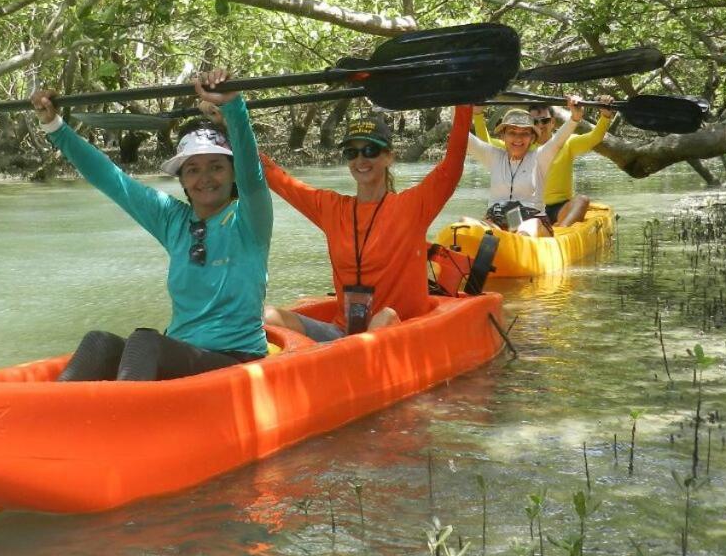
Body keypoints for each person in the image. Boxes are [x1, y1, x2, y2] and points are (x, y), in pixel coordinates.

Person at [29, 68, 271, 381]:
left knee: (145, 342)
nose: (205, 178)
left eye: (216, 167)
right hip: (183, 354)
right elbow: (112, 179)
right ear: (182, 179)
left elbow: (252, 169)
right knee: (98, 342)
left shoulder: (251, 218)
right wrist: (54, 125)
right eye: (193, 169)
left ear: (233, 172)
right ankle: (53, 415)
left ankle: (121, 418)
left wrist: (233, 106)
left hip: (236, 361)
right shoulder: (173, 219)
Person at [261, 106, 474, 341]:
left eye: (370, 150)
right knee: (268, 315)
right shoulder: (331, 208)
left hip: (399, 332)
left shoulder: (413, 206)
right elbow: (275, 176)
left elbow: (451, 168)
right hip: (344, 334)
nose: (361, 159)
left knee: (384, 316)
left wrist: (464, 106)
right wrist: (229, 120)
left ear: (388, 157)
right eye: (352, 153)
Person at [471, 96, 615, 226]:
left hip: (559, 206)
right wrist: (477, 114)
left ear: (552, 122)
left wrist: (605, 116)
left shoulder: (567, 143)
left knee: (582, 200)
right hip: (526, 208)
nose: (540, 125)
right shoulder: (520, 146)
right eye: (535, 122)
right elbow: (485, 144)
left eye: (545, 121)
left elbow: (594, 138)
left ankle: (561, 233)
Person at [466, 98, 584, 237]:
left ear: (532, 138)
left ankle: (516, 243)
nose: (518, 139)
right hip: (500, 221)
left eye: (524, 133)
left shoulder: (539, 157)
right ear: (503, 136)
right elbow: (462, 135)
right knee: (464, 224)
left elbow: (558, 141)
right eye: (512, 132)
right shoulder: (493, 156)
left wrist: (574, 118)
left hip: (533, 223)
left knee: (526, 228)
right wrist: (458, 100)